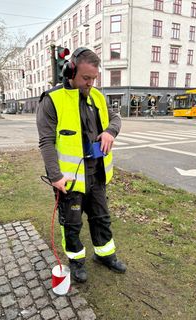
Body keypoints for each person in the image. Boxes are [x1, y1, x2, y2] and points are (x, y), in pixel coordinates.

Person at [36, 47, 126, 283]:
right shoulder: (52, 100)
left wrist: (109, 131)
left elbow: (115, 117)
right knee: (72, 224)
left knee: (101, 218)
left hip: (96, 175)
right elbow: (46, 141)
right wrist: (55, 177)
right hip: (69, 179)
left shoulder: (97, 96)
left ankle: (105, 255)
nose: (90, 84)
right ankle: (76, 262)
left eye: (94, 79)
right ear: (70, 71)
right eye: (85, 78)